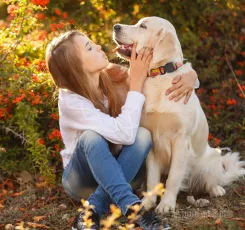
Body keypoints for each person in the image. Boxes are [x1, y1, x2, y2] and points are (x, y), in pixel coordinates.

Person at [45, 30, 198, 230]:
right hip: (82, 180)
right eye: (89, 47)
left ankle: (93, 209)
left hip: (125, 172)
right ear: (75, 67)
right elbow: (124, 134)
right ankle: (134, 209)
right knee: (91, 138)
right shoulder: (71, 101)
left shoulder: (112, 75)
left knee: (143, 135)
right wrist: (135, 83)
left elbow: (158, 76)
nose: (98, 46)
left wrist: (192, 77)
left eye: (93, 41)